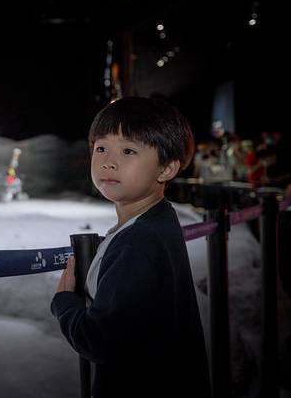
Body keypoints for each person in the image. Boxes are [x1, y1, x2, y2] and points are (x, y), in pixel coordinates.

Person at [50, 97, 210, 398]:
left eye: (128, 150)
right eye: (101, 148)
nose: (109, 161)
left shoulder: (138, 242)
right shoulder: (158, 219)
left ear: (166, 169)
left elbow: (101, 341)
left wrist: (64, 303)